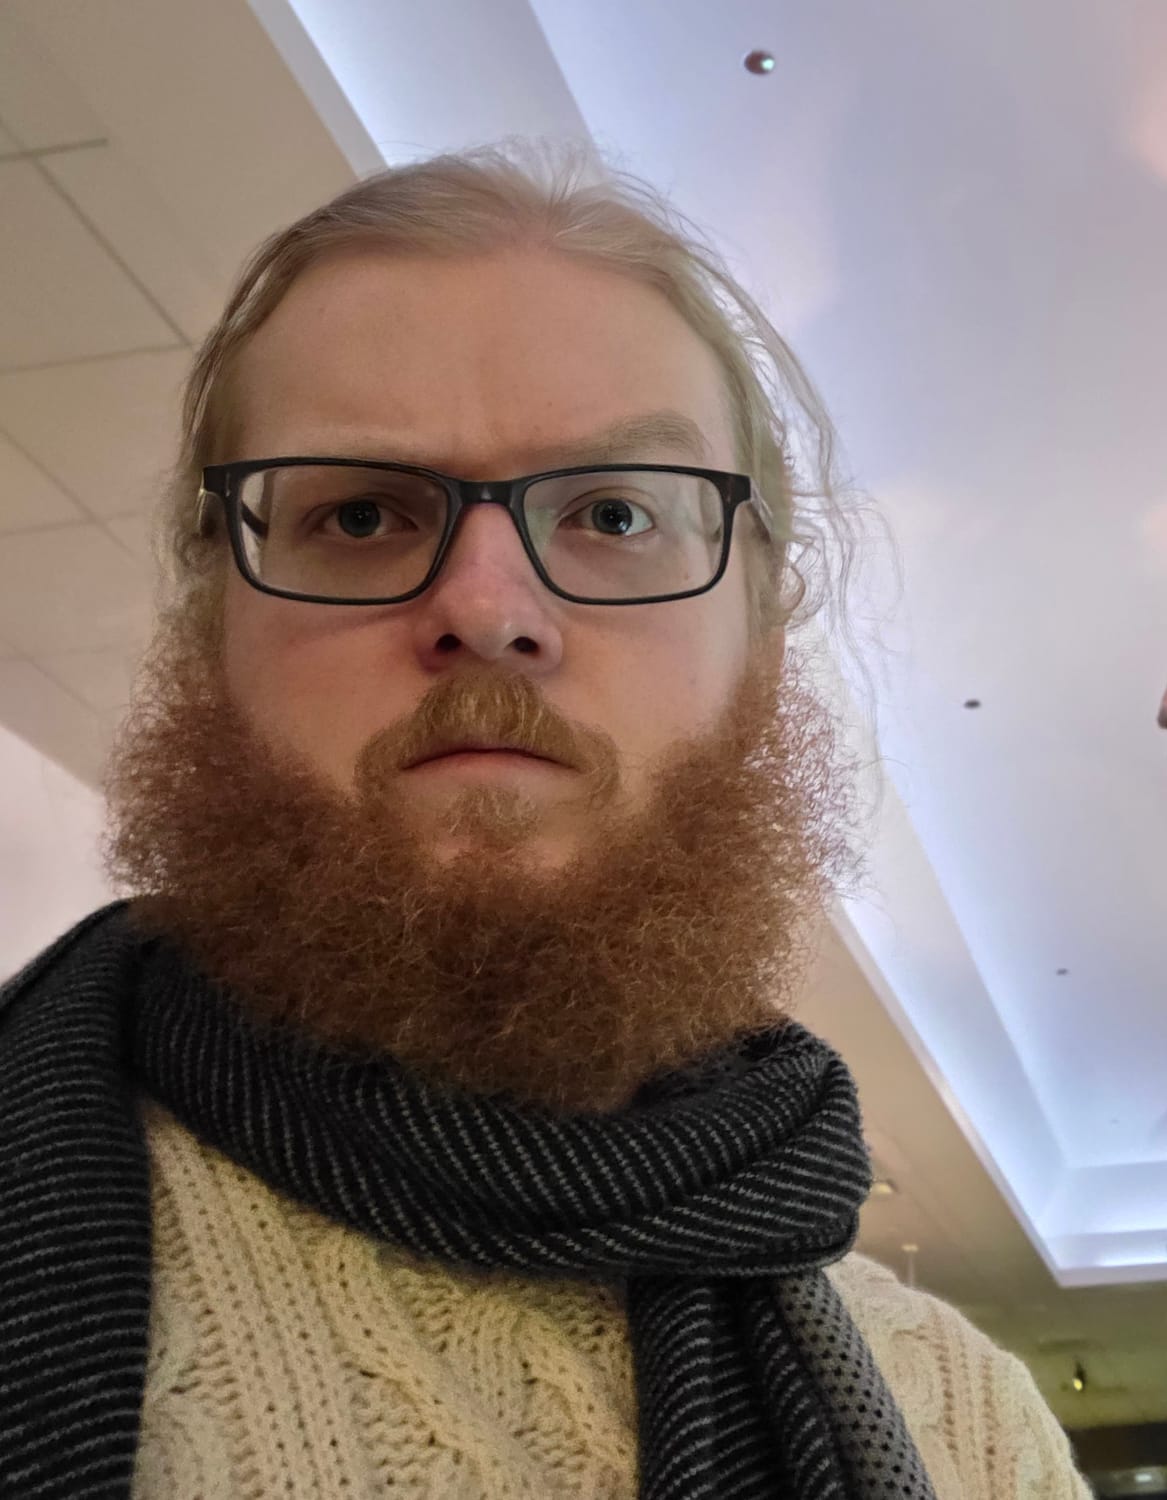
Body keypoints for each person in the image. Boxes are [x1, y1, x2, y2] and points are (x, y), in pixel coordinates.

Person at [0, 144, 1090, 1500]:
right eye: (358, 514)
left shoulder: (966, 1426)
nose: (486, 608)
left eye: (616, 513)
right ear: (209, 630)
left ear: (759, 644)